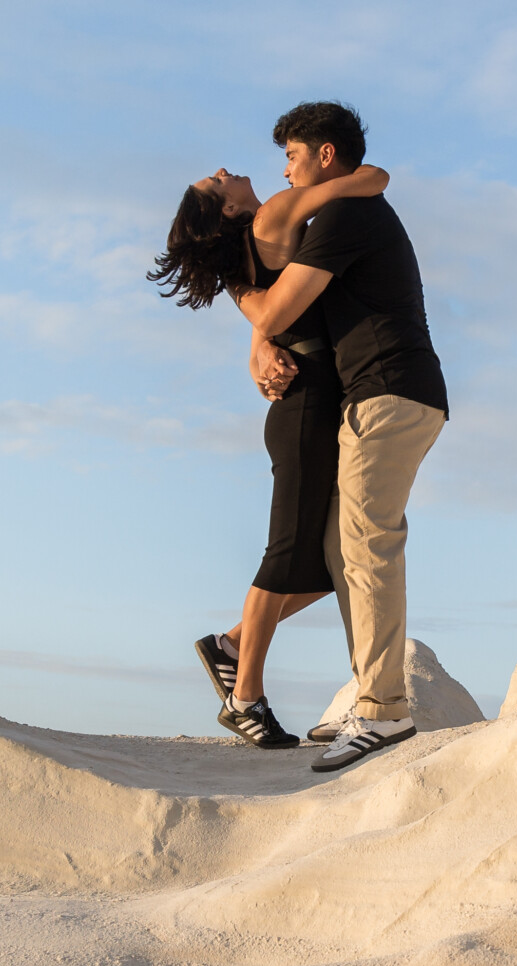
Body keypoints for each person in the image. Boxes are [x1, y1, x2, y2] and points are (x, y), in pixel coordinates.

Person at [151, 155, 390, 747]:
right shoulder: (278, 212)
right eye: (215, 181)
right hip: (306, 402)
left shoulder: (244, 259)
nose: (222, 169)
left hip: (306, 402)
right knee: (286, 553)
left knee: (326, 567)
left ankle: (231, 644)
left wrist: (258, 348)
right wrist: (333, 178)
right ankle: (245, 695)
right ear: (229, 208)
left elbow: (268, 309)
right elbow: (371, 180)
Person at [244, 102, 449, 773]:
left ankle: (385, 710)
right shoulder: (343, 209)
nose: (286, 168)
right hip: (382, 393)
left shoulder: (344, 215)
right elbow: (277, 304)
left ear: (326, 155)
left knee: (366, 543)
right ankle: (370, 695)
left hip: (390, 391)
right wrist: (258, 344)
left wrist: (236, 290)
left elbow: (277, 307)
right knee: (343, 548)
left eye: (294, 154)